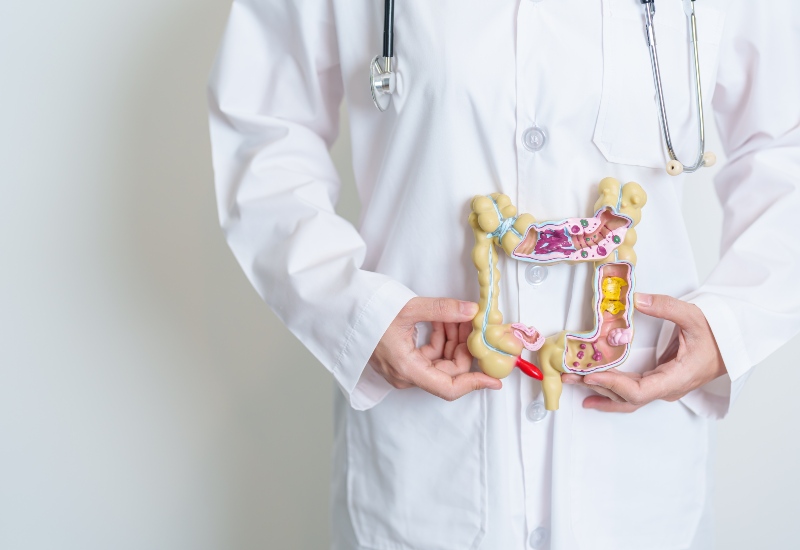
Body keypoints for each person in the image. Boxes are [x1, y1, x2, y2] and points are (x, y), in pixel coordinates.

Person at [207, 1, 800, 548]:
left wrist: (731, 328)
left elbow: (784, 141)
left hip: (635, 472)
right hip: (427, 457)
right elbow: (264, 129)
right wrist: (351, 313)